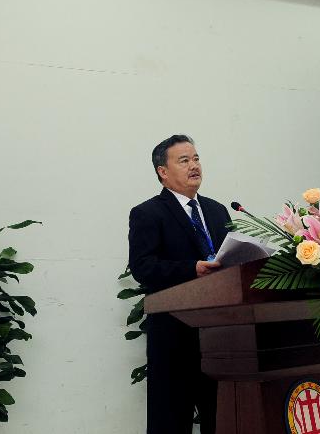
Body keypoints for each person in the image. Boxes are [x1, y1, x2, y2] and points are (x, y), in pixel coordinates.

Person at [128, 134, 230, 434]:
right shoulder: (148, 213)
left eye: (196, 158)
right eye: (184, 160)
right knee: (171, 421)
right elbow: (143, 267)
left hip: (221, 334)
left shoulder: (217, 210)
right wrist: (191, 269)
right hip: (174, 335)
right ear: (163, 171)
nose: (194, 165)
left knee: (222, 418)